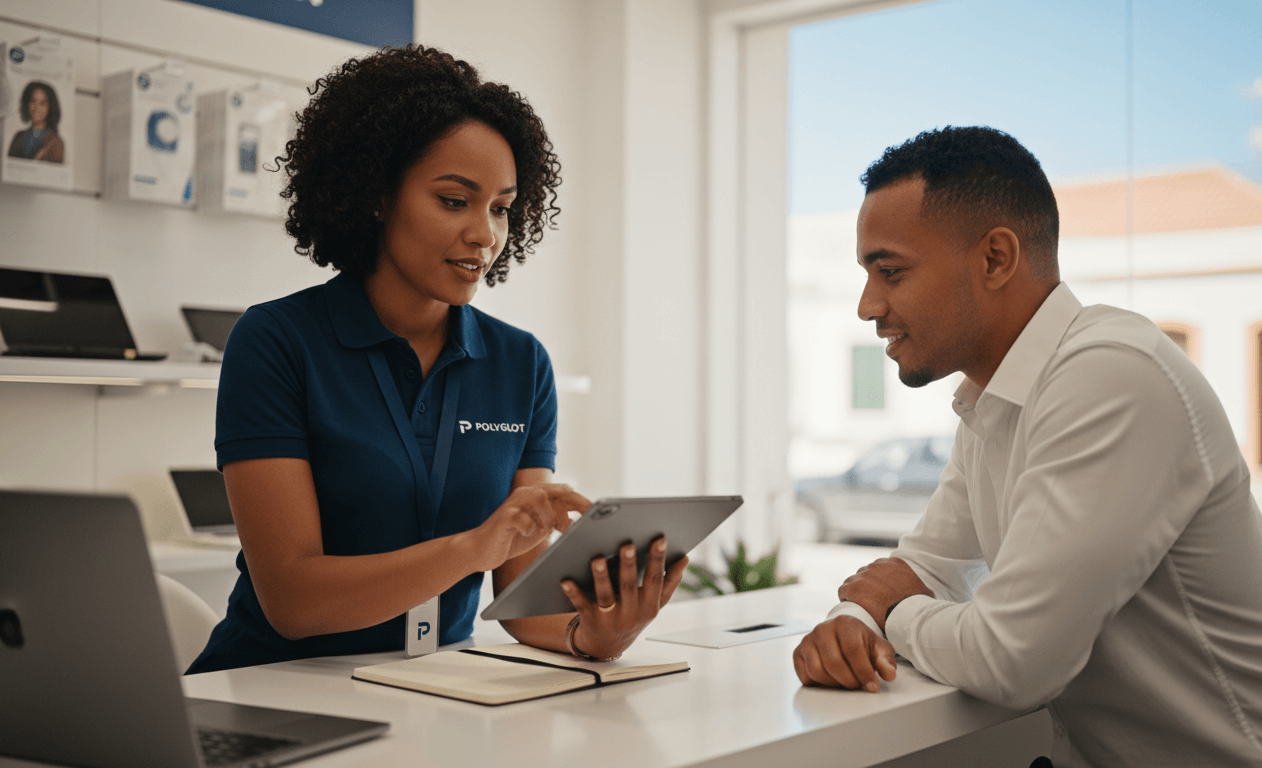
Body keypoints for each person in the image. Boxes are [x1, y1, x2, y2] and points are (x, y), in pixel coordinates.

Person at [188, 45, 688, 673]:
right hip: (273, 688)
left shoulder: (520, 362)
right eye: (455, 200)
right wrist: (473, 547)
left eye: (501, 208)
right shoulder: (276, 341)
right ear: (376, 195)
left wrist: (596, 636)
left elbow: (520, 595)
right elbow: (293, 599)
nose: (486, 234)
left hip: (434, 686)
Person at [792, 126, 1262, 767]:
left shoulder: (1111, 375)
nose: (867, 305)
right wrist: (854, 618)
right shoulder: (992, 403)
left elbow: (1014, 659)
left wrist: (890, 610)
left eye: (891, 271)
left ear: (995, 259)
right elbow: (926, 564)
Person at [6, 81, 64, 163]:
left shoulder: (56, 143)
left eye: (42, 103)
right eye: (33, 101)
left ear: (50, 107)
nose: (36, 108)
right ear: (27, 103)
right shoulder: (18, 137)